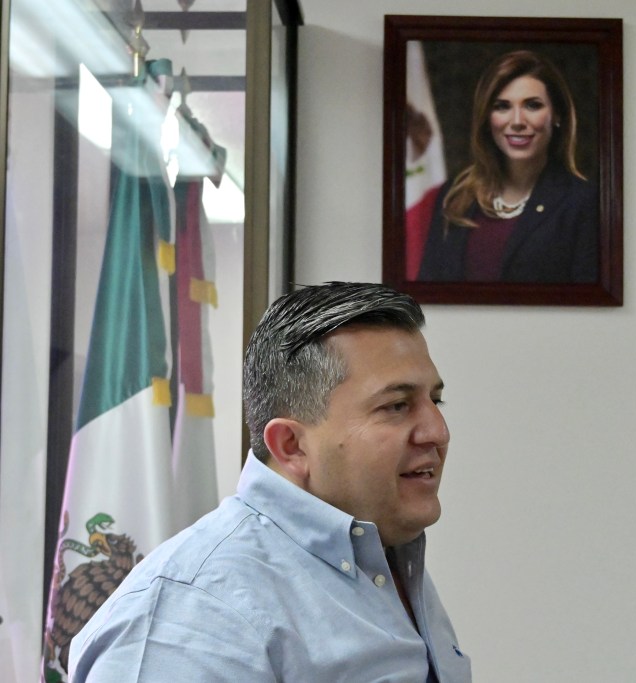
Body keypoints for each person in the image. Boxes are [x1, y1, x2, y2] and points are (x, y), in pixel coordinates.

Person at [69, 282, 472, 682]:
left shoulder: (382, 555)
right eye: (396, 406)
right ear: (291, 445)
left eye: (434, 401)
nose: (437, 431)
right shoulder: (196, 611)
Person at [416, 50, 599, 283]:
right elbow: (428, 293)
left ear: (557, 115)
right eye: (502, 106)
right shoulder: (455, 195)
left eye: (532, 106)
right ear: (487, 117)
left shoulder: (583, 202)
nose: (517, 121)